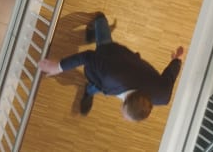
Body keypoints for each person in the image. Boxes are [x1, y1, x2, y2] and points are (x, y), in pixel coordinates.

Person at [38, 12, 184, 121]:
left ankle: (89, 91)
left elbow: (169, 77)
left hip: (115, 76)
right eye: (126, 115)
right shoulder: (111, 75)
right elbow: (88, 57)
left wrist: (177, 60)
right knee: (103, 42)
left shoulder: (163, 95)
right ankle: (99, 18)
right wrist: (58, 66)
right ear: (126, 101)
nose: (124, 118)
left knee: (98, 87)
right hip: (111, 56)